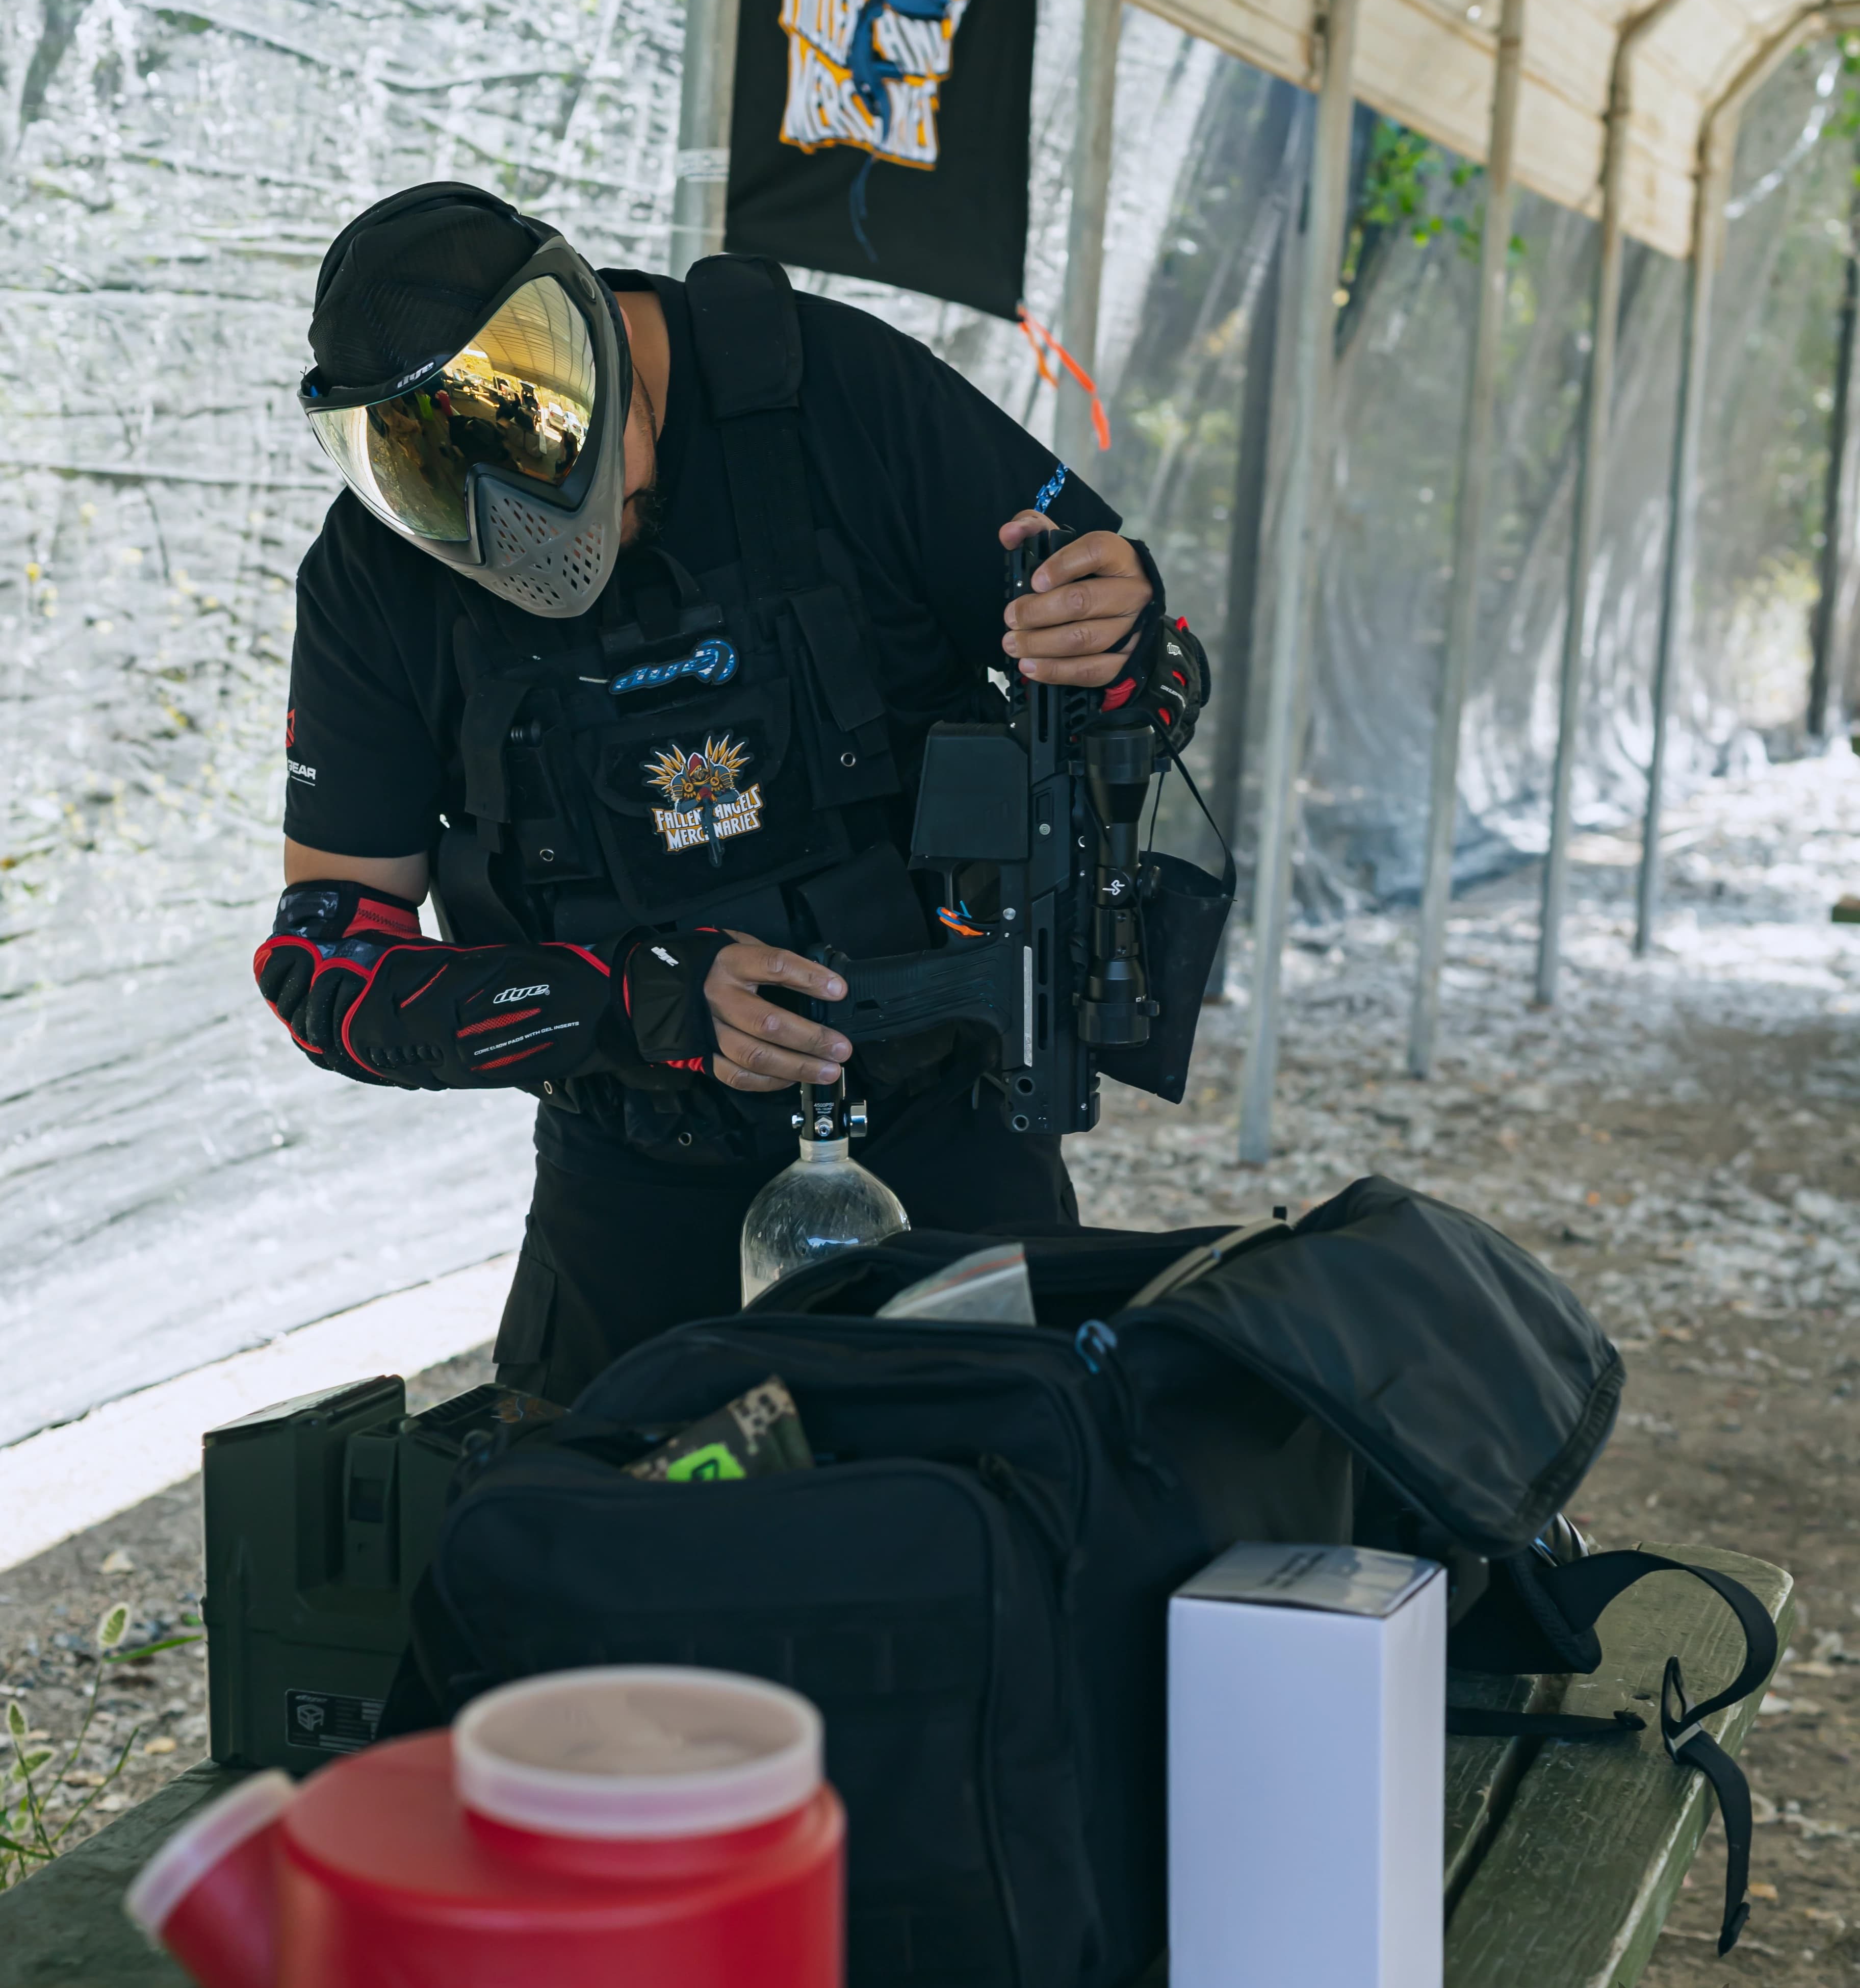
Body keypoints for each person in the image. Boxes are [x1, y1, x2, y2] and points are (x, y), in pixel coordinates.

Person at [256, 184, 1207, 1402]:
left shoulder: (834, 389)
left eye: (591, 488)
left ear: (599, 335)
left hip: (941, 1127)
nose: (557, 553)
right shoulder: (373, 575)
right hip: (632, 1170)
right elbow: (329, 966)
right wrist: (627, 1000)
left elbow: (1143, 671)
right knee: (585, 1506)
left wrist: (1121, 641)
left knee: (1011, 1482)